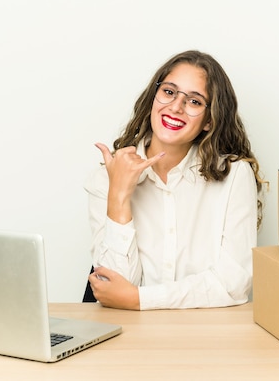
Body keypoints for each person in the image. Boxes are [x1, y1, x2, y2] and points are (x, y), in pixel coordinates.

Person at [85, 50, 265, 310]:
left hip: (208, 335)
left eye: (194, 101)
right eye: (169, 92)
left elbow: (233, 284)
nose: (176, 107)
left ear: (209, 119)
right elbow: (113, 288)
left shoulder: (234, 174)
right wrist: (119, 196)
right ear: (153, 99)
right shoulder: (107, 176)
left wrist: (140, 299)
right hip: (131, 336)